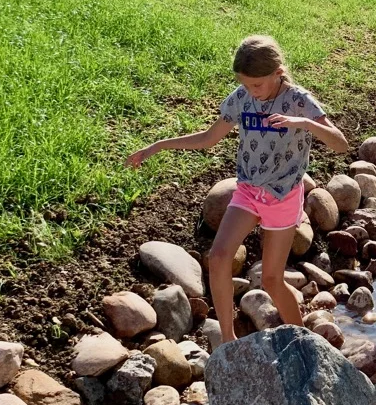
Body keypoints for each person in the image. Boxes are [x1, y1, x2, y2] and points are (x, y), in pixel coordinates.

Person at [125, 35, 348, 343]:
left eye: (257, 85)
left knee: (271, 279)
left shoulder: (299, 100)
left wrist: (304, 123)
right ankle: (228, 343)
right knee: (217, 258)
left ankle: (303, 341)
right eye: (245, 84)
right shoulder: (241, 97)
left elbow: (341, 144)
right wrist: (159, 146)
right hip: (247, 191)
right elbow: (208, 137)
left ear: (278, 72)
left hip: (283, 195)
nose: (251, 91)